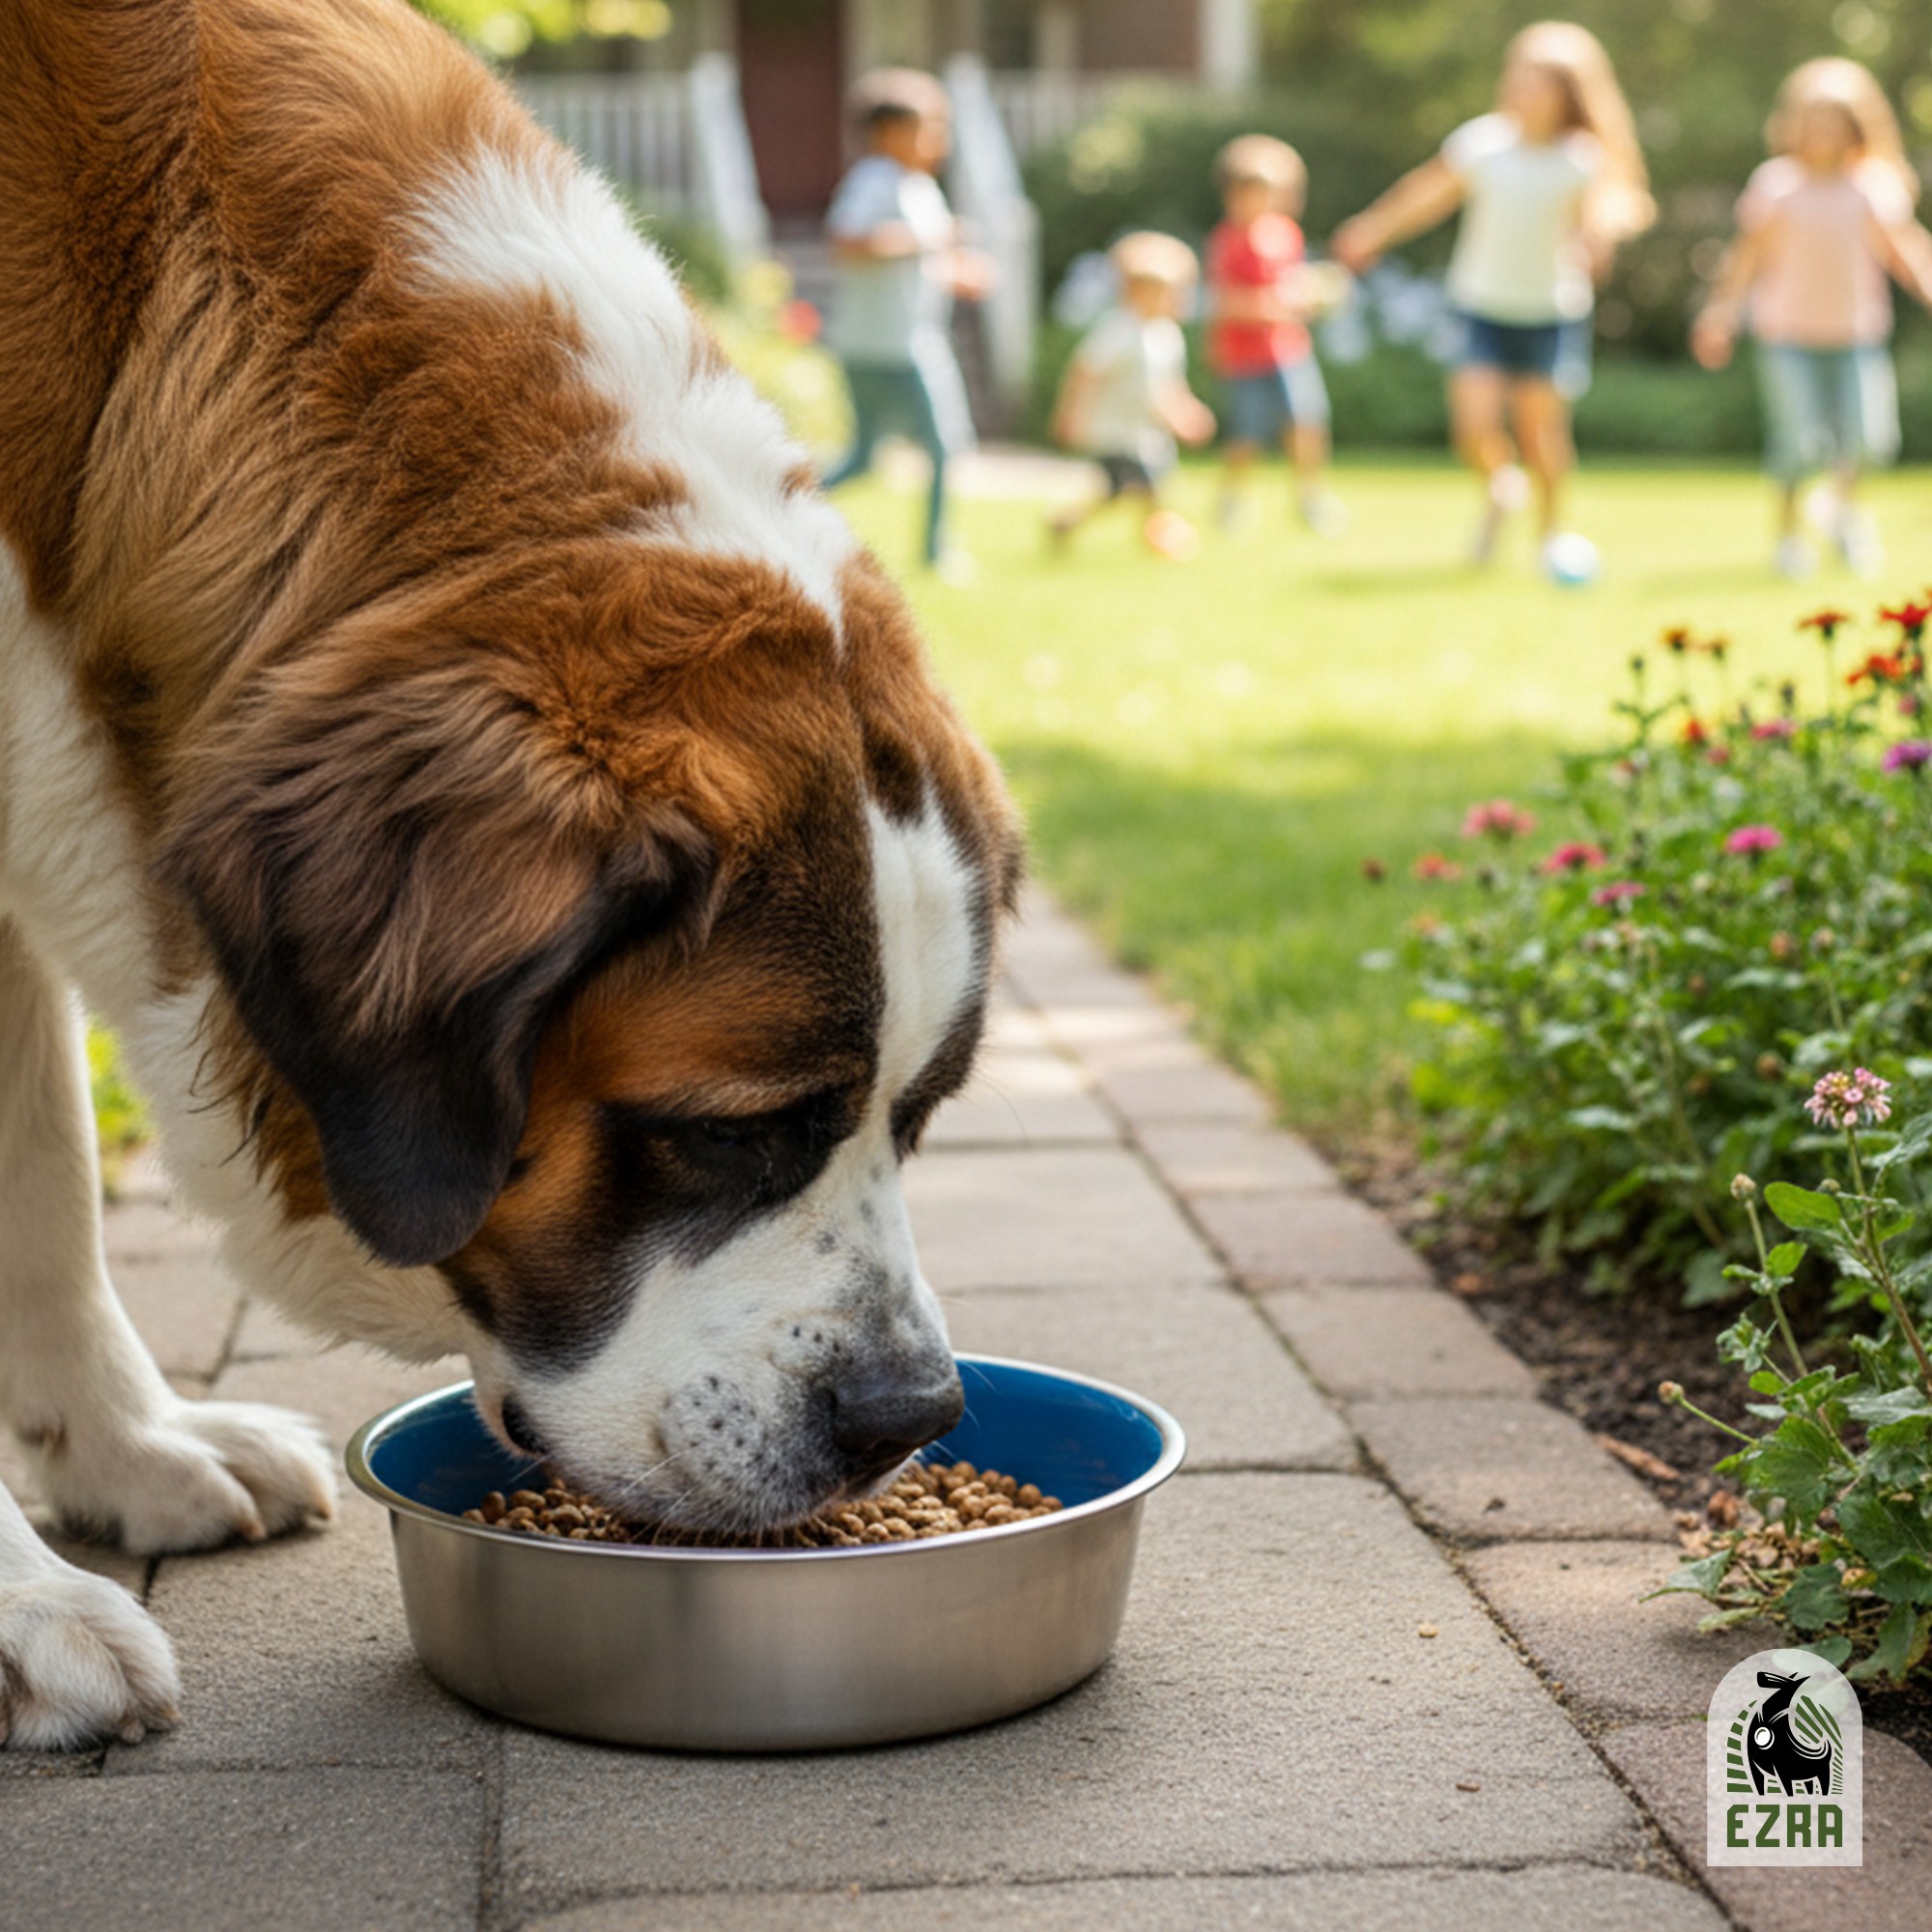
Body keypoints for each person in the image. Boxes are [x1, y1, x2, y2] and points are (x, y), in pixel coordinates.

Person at [1332, 21, 1653, 582]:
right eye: (1516, 77)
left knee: (1540, 434)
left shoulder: (1581, 158)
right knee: (1473, 428)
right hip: (1481, 305)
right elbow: (1426, 195)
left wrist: (1597, 239)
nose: (1520, 90)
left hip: (1550, 311)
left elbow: (1607, 212)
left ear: (1567, 94)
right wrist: (1371, 231)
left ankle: (1551, 534)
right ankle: (1503, 489)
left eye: (1536, 82)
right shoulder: (1482, 145)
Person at [1691, 59, 1932, 579]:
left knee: (1871, 442)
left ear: (1856, 126)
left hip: (1856, 335)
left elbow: (1903, 249)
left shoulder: (1873, 185)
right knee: (1797, 444)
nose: (1822, 132)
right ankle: (1790, 538)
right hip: (1787, 336)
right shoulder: (1776, 186)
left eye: (1833, 121)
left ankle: (1843, 514)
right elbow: (1747, 259)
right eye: (1812, 120)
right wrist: (1720, 314)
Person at [819, 69, 993, 577]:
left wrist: (957, 273)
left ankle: (781, 509)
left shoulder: (920, 188)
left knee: (867, 456)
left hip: (903, 338)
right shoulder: (874, 180)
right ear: (889, 134)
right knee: (945, 445)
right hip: (893, 344)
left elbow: (918, 262)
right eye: (928, 128)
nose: (940, 140)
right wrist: (926, 242)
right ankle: (938, 554)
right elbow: (846, 240)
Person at [1206, 134, 1349, 537]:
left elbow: (1293, 285)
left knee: (1307, 420)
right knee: (1246, 434)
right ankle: (1232, 498)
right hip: (1244, 355)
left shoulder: (1285, 234)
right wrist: (1275, 306)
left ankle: (1310, 498)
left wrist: (1315, 294)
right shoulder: (1228, 241)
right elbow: (1225, 303)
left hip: (1288, 349)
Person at [1046, 232, 1216, 556]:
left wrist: (1186, 412)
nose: (1175, 301)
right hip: (1114, 432)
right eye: (1167, 294)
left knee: (1126, 492)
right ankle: (1160, 542)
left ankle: (1067, 521)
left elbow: (1169, 386)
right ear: (1136, 292)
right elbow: (1085, 372)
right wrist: (1070, 414)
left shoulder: (1167, 335)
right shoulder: (1119, 332)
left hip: (1146, 433)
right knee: (1140, 487)